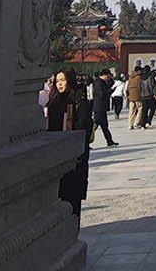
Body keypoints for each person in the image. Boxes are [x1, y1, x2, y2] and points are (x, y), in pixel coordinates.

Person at [45, 69, 90, 216]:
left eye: (63, 80)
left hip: (75, 156)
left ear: (70, 80)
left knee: (73, 195)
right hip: (57, 153)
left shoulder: (79, 99)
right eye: (57, 81)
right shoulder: (54, 100)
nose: (60, 84)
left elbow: (84, 125)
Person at [92, 71, 118, 146]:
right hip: (99, 108)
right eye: (108, 76)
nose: (109, 77)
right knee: (95, 126)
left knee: (104, 126)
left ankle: (109, 141)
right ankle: (86, 141)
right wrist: (110, 91)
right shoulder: (98, 83)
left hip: (102, 108)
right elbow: (102, 95)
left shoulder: (102, 82)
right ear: (105, 75)